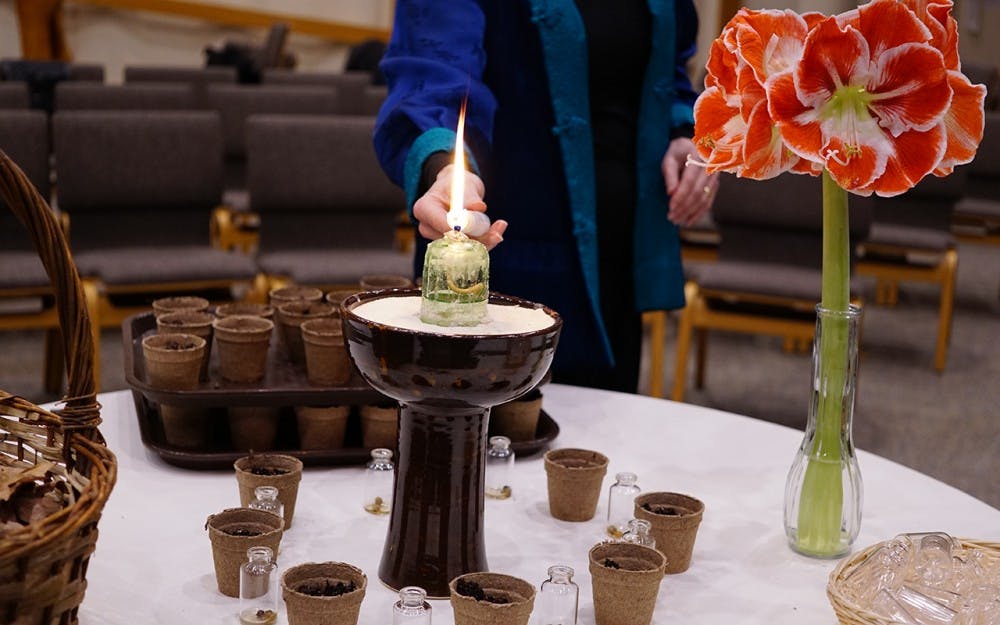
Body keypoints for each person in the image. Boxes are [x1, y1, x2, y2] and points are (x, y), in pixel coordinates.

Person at [373, 0, 717, 393]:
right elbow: (433, 72)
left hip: (617, 254)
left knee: (605, 418)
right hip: (509, 253)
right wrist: (445, 167)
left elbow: (667, 71)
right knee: (499, 416)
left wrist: (683, 132)